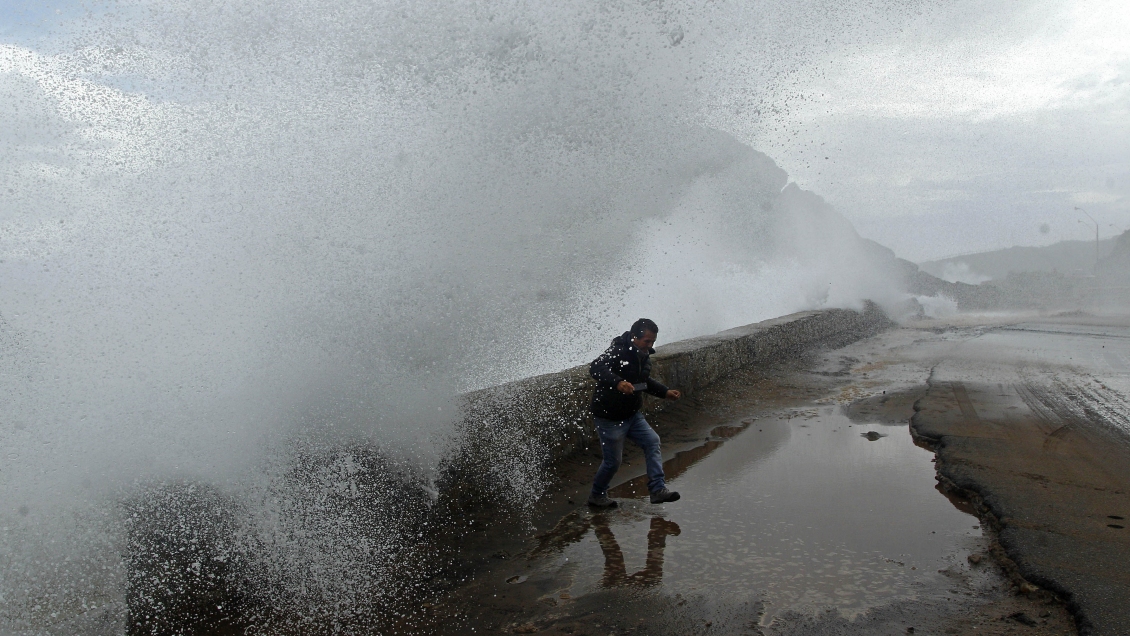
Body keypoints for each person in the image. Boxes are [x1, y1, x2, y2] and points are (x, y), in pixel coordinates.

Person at [587, 318, 682, 508]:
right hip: (609, 417)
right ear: (634, 337)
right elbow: (596, 367)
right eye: (647, 341)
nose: (650, 346)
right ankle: (597, 496)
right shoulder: (618, 350)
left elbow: (643, 382)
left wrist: (664, 392)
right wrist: (617, 382)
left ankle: (657, 490)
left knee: (652, 441)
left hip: (632, 415)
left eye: (652, 342)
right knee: (613, 462)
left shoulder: (643, 356)